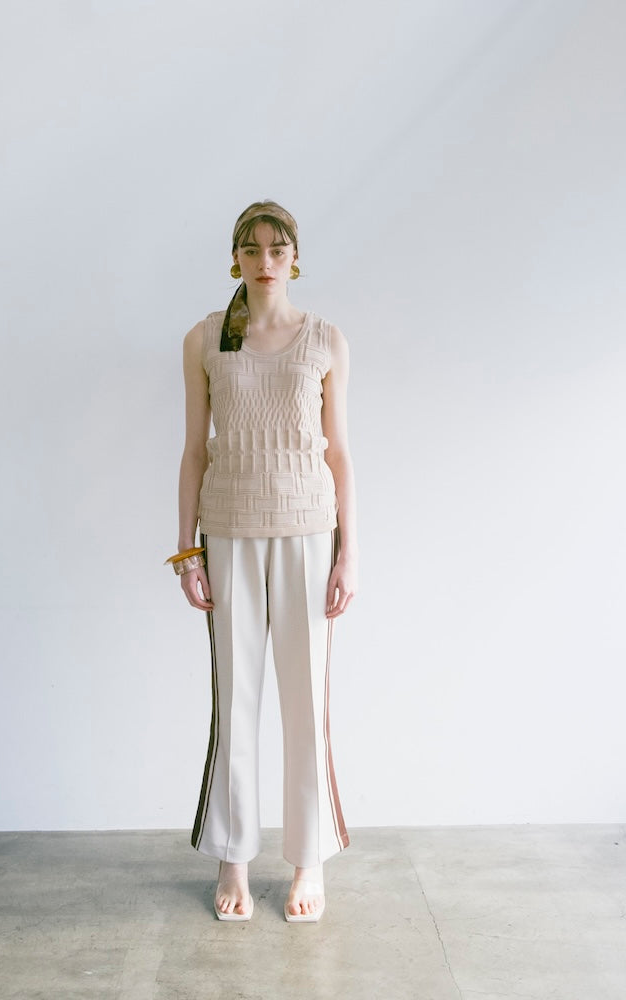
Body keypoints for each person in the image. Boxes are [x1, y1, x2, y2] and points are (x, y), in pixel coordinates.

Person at [168, 200, 357, 923]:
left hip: (309, 531)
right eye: (252, 248)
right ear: (236, 259)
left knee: (306, 703)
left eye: (278, 248)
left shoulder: (327, 340)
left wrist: (349, 553)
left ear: (295, 257)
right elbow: (193, 451)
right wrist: (187, 550)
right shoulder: (204, 338)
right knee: (235, 701)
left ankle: (309, 861)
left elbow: (340, 454)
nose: (265, 259)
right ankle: (233, 858)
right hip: (229, 532)